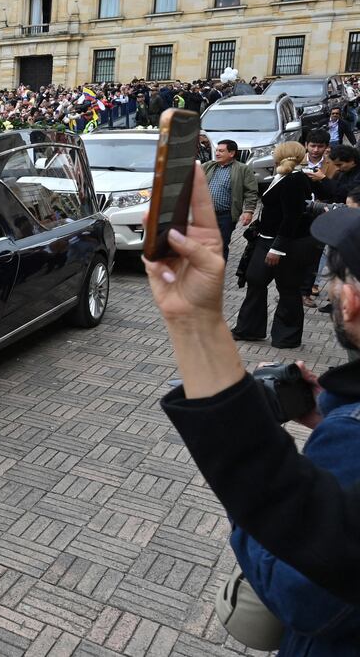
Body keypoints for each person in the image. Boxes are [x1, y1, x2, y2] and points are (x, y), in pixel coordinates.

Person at [145, 169, 360, 650]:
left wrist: (255, 507)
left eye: (339, 272)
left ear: (353, 301)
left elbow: (303, 591)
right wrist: (330, 410)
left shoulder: (351, 444)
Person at [232, 142, 313, 349]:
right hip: (265, 238)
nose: (272, 153)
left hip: (287, 244)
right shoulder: (283, 176)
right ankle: (249, 329)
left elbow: (292, 217)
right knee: (255, 279)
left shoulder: (295, 179)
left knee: (287, 287)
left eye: (275, 151)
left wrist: (278, 248)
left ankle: (287, 336)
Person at [202, 139, 258, 260]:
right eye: (217, 150)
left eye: (221, 151)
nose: (217, 153)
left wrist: (249, 211)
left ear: (231, 153)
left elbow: (251, 191)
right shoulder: (208, 166)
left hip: (225, 216)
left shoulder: (243, 169)